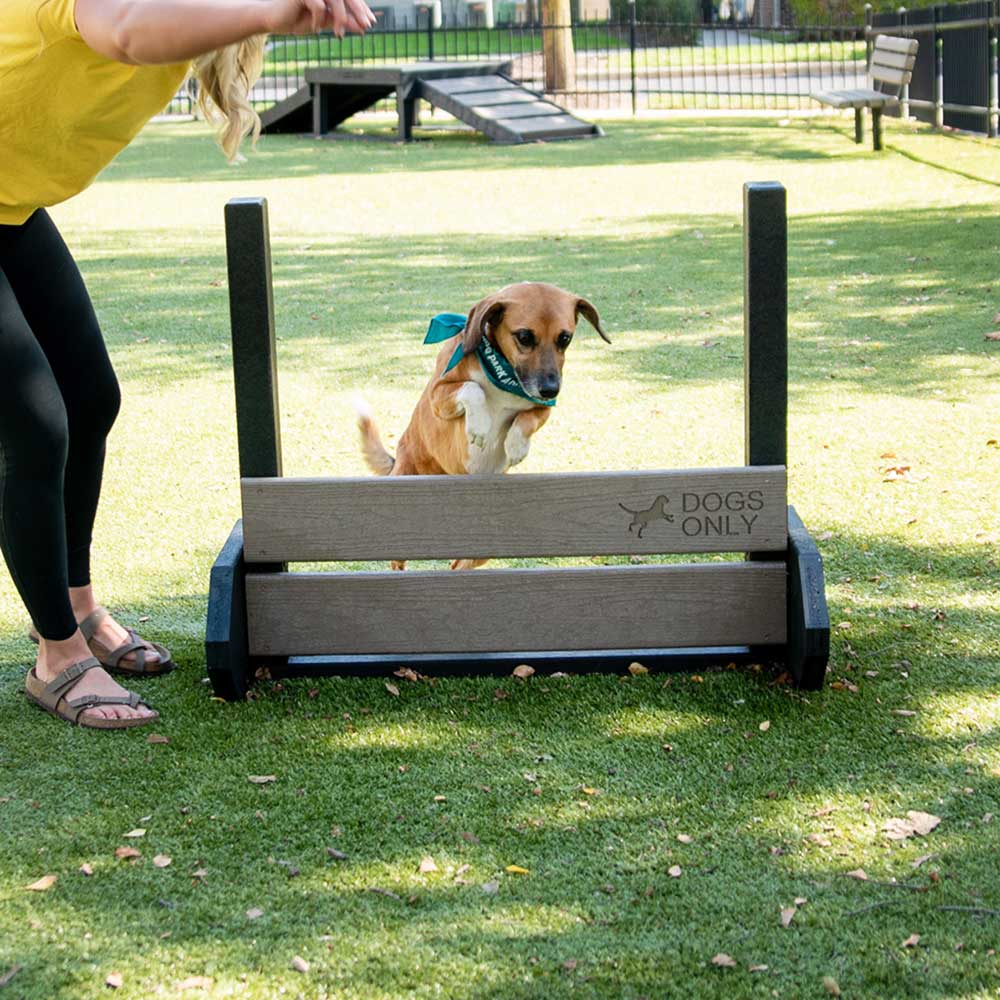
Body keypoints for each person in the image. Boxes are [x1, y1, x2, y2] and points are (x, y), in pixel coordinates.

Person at [0, 0, 375, 729]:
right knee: (36, 427)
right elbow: (129, 33)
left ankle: (78, 605)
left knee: (90, 398)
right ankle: (55, 655)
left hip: (11, 205)